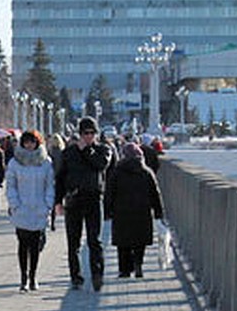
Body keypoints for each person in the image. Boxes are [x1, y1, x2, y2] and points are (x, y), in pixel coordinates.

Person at [55, 116, 113, 291]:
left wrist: (86, 150)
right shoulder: (69, 153)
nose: (88, 136)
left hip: (94, 199)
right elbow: (60, 178)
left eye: (91, 133)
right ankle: (76, 277)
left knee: (94, 240)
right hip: (73, 200)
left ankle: (97, 275)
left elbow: (101, 165)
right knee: (73, 242)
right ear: (80, 134)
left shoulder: (103, 150)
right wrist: (57, 201)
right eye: (85, 133)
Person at [104, 142, 164, 279]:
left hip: (121, 213)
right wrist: (159, 212)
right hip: (142, 212)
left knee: (123, 243)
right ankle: (138, 264)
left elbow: (109, 193)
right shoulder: (146, 172)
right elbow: (155, 193)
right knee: (139, 242)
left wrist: (108, 211)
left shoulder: (117, 172)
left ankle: (124, 270)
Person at [6, 129, 56, 292]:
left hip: (39, 208)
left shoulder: (45, 162)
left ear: (37, 143)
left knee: (35, 245)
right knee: (23, 244)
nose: (29, 145)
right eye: (26, 142)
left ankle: (33, 276)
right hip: (21, 208)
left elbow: (50, 184)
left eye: (32, 142)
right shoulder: (15, 163)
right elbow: (11, 185)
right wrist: (14, 203)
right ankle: (23, 277)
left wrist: (48, 204)